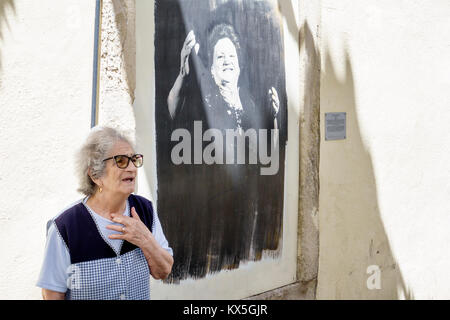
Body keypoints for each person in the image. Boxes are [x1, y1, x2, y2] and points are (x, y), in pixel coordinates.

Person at [36, 126, 173, 300]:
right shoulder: (65, 227)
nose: (132, 168)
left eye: (134, 159)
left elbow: (164, 271)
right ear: (95, 174)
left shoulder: (145, 209)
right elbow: (52, 293)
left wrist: (145, 239)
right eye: (122, 161)